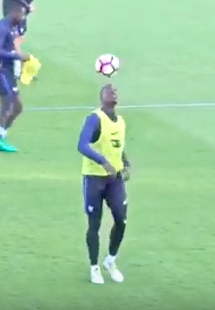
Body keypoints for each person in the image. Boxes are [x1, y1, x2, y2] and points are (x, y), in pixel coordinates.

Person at [77, 84, 132, 284]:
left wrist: (125, 161)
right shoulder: (95, 119)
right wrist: (102, 162)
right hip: (94, 178)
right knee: (95, 223)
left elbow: (116, 146)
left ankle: (110, 260)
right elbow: (82, 145)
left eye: (115, 90)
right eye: (109, 91)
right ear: (101, 97)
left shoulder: (121, 122)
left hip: (114, 179)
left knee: (121, 219)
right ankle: (94, 267)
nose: (114, 92)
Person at [0, 5, 30, 152]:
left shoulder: (13, 26)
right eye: (22, 14)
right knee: (8, 102)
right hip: (1, 70)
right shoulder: (1, 27)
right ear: (15, 12)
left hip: (9, 70)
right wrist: (17, 56)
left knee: (17, 107)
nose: (23, 17)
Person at [2, 0, 34, 79]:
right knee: (15, 42)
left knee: (17, 39)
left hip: (17, 13)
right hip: (14, 13)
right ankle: (16, 72)